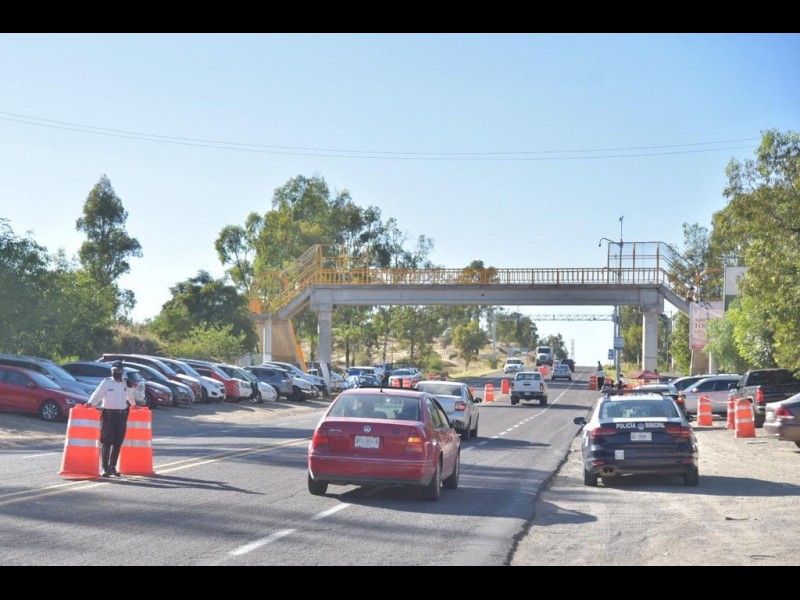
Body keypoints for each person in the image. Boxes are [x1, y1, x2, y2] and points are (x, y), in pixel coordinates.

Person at [85, 361, 137, 477]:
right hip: (108, 415)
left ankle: (113, 466)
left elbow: (130, 396)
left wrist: (134, 404)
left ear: (122, 371)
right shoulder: (107, 382)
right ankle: (105, 468)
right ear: (111, 371)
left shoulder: (125, 383)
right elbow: (97, 394)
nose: (116, 372)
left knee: (118, 442)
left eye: (118, 370)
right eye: (114, 370)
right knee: (106, 441)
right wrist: (90, 403)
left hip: (122, 415)